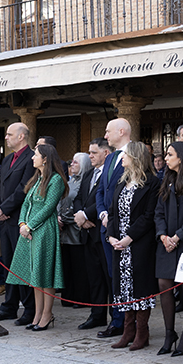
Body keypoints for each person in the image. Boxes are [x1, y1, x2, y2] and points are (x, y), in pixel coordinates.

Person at [7, 143, 66, 330]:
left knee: (45, 273)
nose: (33, 158)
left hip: (44, 230)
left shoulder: (55, 180)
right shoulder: (36, 178)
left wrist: (30, 225)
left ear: (46, 159)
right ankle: (37, 313)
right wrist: (22, 224)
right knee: (35, 274)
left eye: (36, 155)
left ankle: (47, 314)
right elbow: (25, 204)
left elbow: (49, 207)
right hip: (29, 231)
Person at [108, 141, 160, 350]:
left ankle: (141, 332)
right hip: (120, 245)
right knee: (124, 288)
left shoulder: (152, 184)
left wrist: (129, 237)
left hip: (139, 245)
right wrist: (111, 236)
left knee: (141, 288)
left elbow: (149, 216)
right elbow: (113, 212)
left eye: (125, 155)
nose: (121, 159)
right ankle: (128, 330)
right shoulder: (122, 183)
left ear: (136, 157)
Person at [155, 141, 183, 355]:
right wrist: (163, 235)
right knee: (164, 284)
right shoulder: (167, 179)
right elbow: (158, 212)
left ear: (181, 157)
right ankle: (169, 333)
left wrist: (177, 236)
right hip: (166, 243)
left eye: (170, 154)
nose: (166, 158)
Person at [0, 123, 36, 324]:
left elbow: (24, 188)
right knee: (8, 265)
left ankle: (29, 308)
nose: (6, 137)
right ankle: (9, 305)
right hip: (3, 219)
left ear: (21, 136)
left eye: (9, 134)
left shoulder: (31, 158)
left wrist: (4, 208)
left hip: (19, 218)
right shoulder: (8, 158)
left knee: (21, 265)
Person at [96, 118, 132, 338]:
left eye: (108, 132)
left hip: (125, 230)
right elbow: (102, 190)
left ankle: (128, 322)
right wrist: (102, 213)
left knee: (125, 277)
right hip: (106, 227)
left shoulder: (135, 154)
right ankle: (116, 320)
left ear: (121, 131)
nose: (106, 136)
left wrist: (116, 217)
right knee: (112, 276)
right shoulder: (110, 160)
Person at [72, 139, 111, 331]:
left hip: (101, 231)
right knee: (94, 277)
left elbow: (106, 199)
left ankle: (116, 318)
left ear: (105, 153)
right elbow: (79, 197)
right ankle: (97, 315)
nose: (90, 156)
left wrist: (86, 214)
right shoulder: (88, 174)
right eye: (89, 152)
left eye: (94, 152)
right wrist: (80, 216)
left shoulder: (111, 173)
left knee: (108, 276)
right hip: (87, 231)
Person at [57, 152, 91, 307]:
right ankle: (68, 295)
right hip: (65, 231)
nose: (72, 165)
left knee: (79, 266)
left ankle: (80, 297)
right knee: (67, 265)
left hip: (76, 230)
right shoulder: (69, 182)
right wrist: (58, 217)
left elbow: (81, 205)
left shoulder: (85, 182)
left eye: (76, 162)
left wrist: (67, 219)